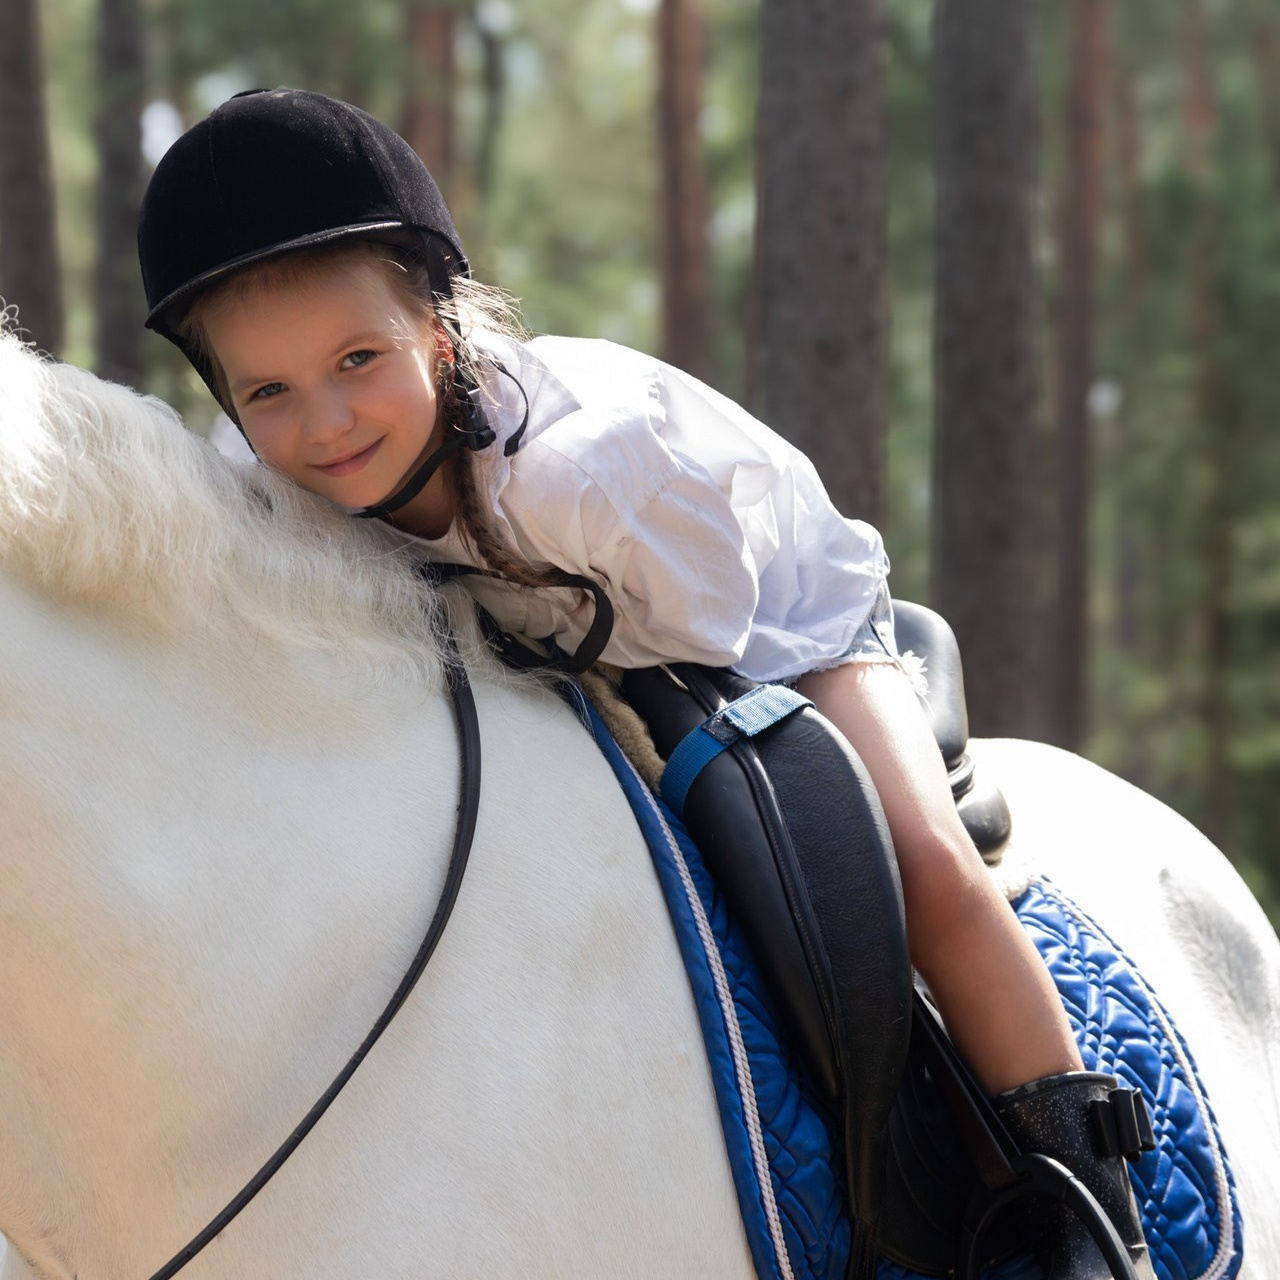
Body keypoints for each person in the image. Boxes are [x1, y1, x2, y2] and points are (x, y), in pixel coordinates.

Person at [137, 88, 1154, 1280]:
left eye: (357, 359)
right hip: (556, 638)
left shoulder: (583, 471)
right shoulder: (266, 491)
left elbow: (701, 631)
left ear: (442, 327)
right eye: (268, 392)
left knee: (917, 860)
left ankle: (1082, 1198)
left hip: (778, 626)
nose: (323, 421)